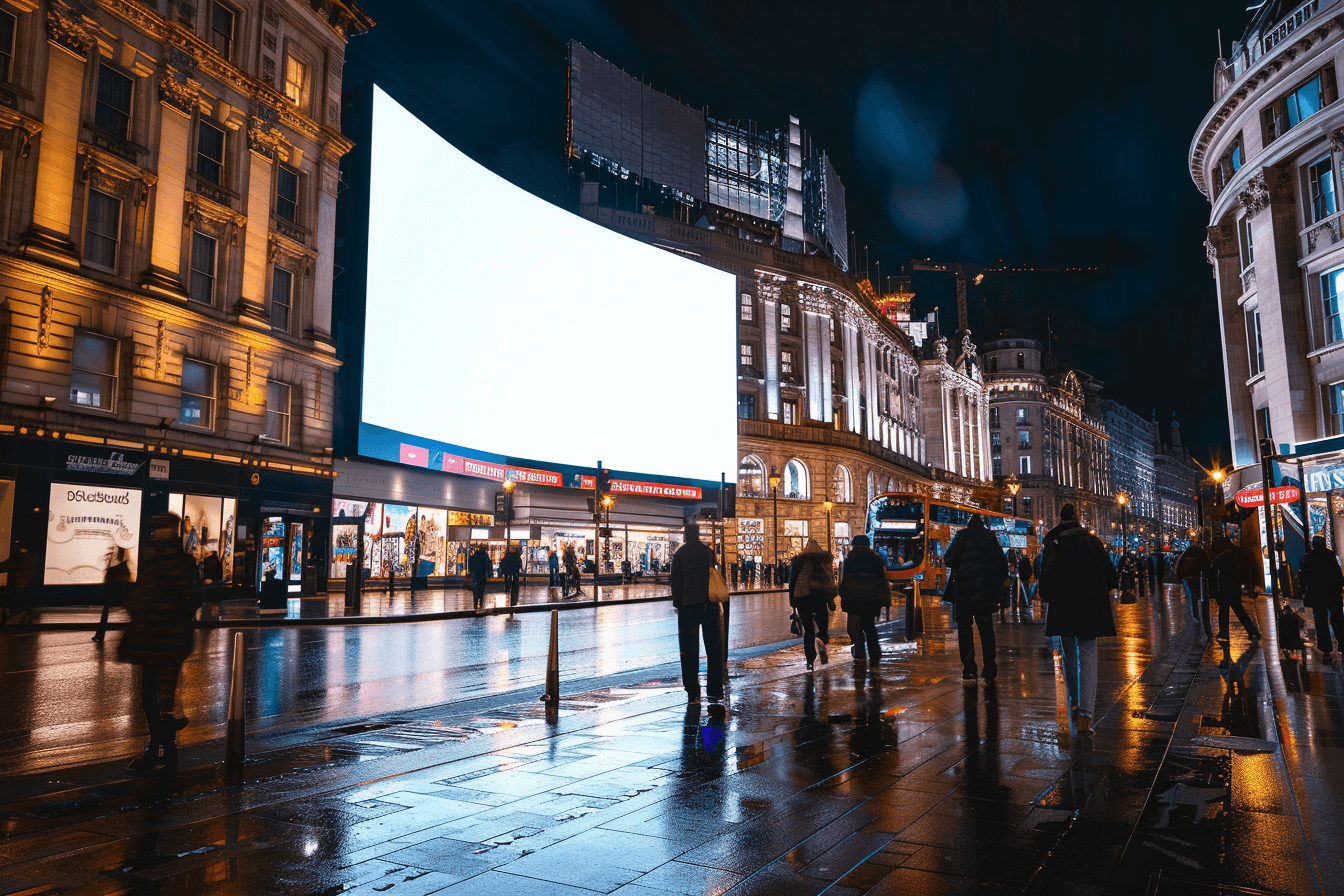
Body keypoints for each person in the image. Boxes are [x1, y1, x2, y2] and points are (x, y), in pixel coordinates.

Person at [116, 514, 201, 773]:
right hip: (155, 640)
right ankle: (163, 749)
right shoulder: (160, 560)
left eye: (161, 530)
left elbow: (189, 600)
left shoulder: (176, 563)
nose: (158, 535)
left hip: (166, 640)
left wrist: (152, 610)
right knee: (152, 699)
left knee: (160, 699)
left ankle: (159, 750)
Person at [1038, 503, 1118, 738]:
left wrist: (1047, 595)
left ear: (1060, 519)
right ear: (1077, 518)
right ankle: (1085, 714)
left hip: (1063, 604)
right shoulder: (1091, 541)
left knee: (1069, 657)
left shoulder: (1053, 541)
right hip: (1089, 605)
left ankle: (1073, 701)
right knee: (1089, 657)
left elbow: (1046, 573)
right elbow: (1108, 571)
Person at [943, 514, 1009, 683]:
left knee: (965, 631)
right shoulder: (990, 539)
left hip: (964, 591)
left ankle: (969, 668)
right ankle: (989, 667)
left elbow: (948, 559)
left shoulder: (961, 537)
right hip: (985, 591)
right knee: (986, 630)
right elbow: (1002, 564)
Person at [670, 522, 724, 713]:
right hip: (709, 605)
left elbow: (675, 580)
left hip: (688, 608)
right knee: (713, 649)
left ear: (686, 535)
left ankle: (693, 691)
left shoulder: (680, 554)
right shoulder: (707, 552)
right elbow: (715, 573)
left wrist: (678, 602)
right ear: (698, 534)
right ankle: (715, 689)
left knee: (689, 651)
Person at [839, 535, 890, 663]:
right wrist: (884, 600)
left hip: (853, 600)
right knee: (870, 628)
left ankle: (859, 653)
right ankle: (874, 654)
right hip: (870, 600)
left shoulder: (849, 560)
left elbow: (844, 582)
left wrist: (843, 598)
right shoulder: (876, 560)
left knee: (855, 630)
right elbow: (882, 581)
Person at [789, 539, 837, 670]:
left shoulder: (799, 563)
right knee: (822, 628)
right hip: (819, 599)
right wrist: (831, 601)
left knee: (808, 630)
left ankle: (810, 658)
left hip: (803, 600)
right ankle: (821, 641)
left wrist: (792, 602)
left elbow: (792, 582)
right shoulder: (823, 563)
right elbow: (829, 583)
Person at [1208, 532, 1262, 642]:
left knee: (1225, 610)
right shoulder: (1235, 553)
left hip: (1225, 587)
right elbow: (1244, 570)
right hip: (1234, 586)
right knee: (1238, 610)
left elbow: (1214, 573)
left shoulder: (1222, 557)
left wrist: (1213, 588)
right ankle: (1253, 632)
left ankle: (1225, 632)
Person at [1298, 536, 1344, 658]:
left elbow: (1304, 578)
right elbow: (1339, 576)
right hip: (1333, 594)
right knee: (1338, 620)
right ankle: (1342, 644)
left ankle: (1326, 649)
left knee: (1321, 621)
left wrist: (1304, 590)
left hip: (1317, 594)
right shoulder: (1331, 557)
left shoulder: (1308, 558)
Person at [92, 547, 133, 643]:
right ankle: (100, 634)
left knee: (105, 611)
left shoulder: (116, 551)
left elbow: (112, 567)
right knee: (126, 610)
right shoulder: (123, 552)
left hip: (113, 586)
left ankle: (100, 635)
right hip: (120, 586)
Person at [1175, 540, 1211, 626]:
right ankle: (1203, 617)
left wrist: (1179, 579)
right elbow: (1207, 568)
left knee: (1192, 598)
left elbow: (1178, 568)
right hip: (1199, 579)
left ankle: (1195, 615)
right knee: (1202, 598)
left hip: (1187, 579)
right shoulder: (1202, 556)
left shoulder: (1184, 557)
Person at [468, 544, 491, 613]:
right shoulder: (485, 556)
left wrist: (471, 572)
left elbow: (470, 567)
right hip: (482, 575)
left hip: (475, 575)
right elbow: (488, 565)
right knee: (481, 590)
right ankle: (480, 604)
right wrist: (489, 573)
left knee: (475, 590)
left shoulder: (474, 557)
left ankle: (475, 604)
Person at [499, 544, 523, 610]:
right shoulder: (517, 556)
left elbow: (503, 563)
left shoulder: (507, 556)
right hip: (515, 573)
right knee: (514, 586)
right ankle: (513, 600)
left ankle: (508, 595)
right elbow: (519, 565)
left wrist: (503, 572)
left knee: (508, 585)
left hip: (508, 573)